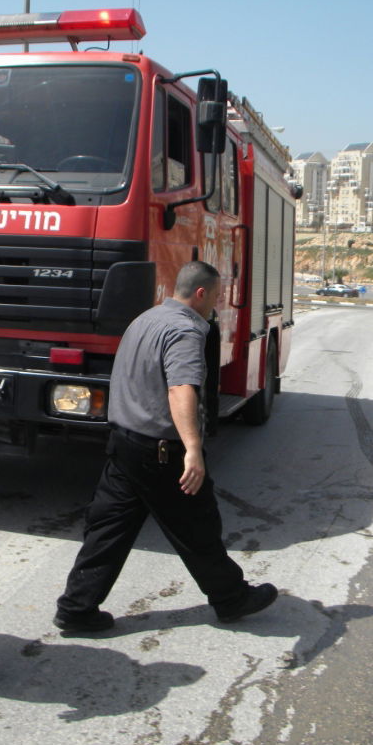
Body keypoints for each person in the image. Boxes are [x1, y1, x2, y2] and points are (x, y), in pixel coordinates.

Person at [53, 261, 278, 632]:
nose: (217, 305)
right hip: (161, 453)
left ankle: (76, 608)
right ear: (201, 293)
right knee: (197, 527)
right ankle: (232, 598)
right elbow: (180, 388)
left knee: (108, 530)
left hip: (124, 444)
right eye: (216, 296)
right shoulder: (186, 329)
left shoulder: (145, 319)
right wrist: (192, 447)